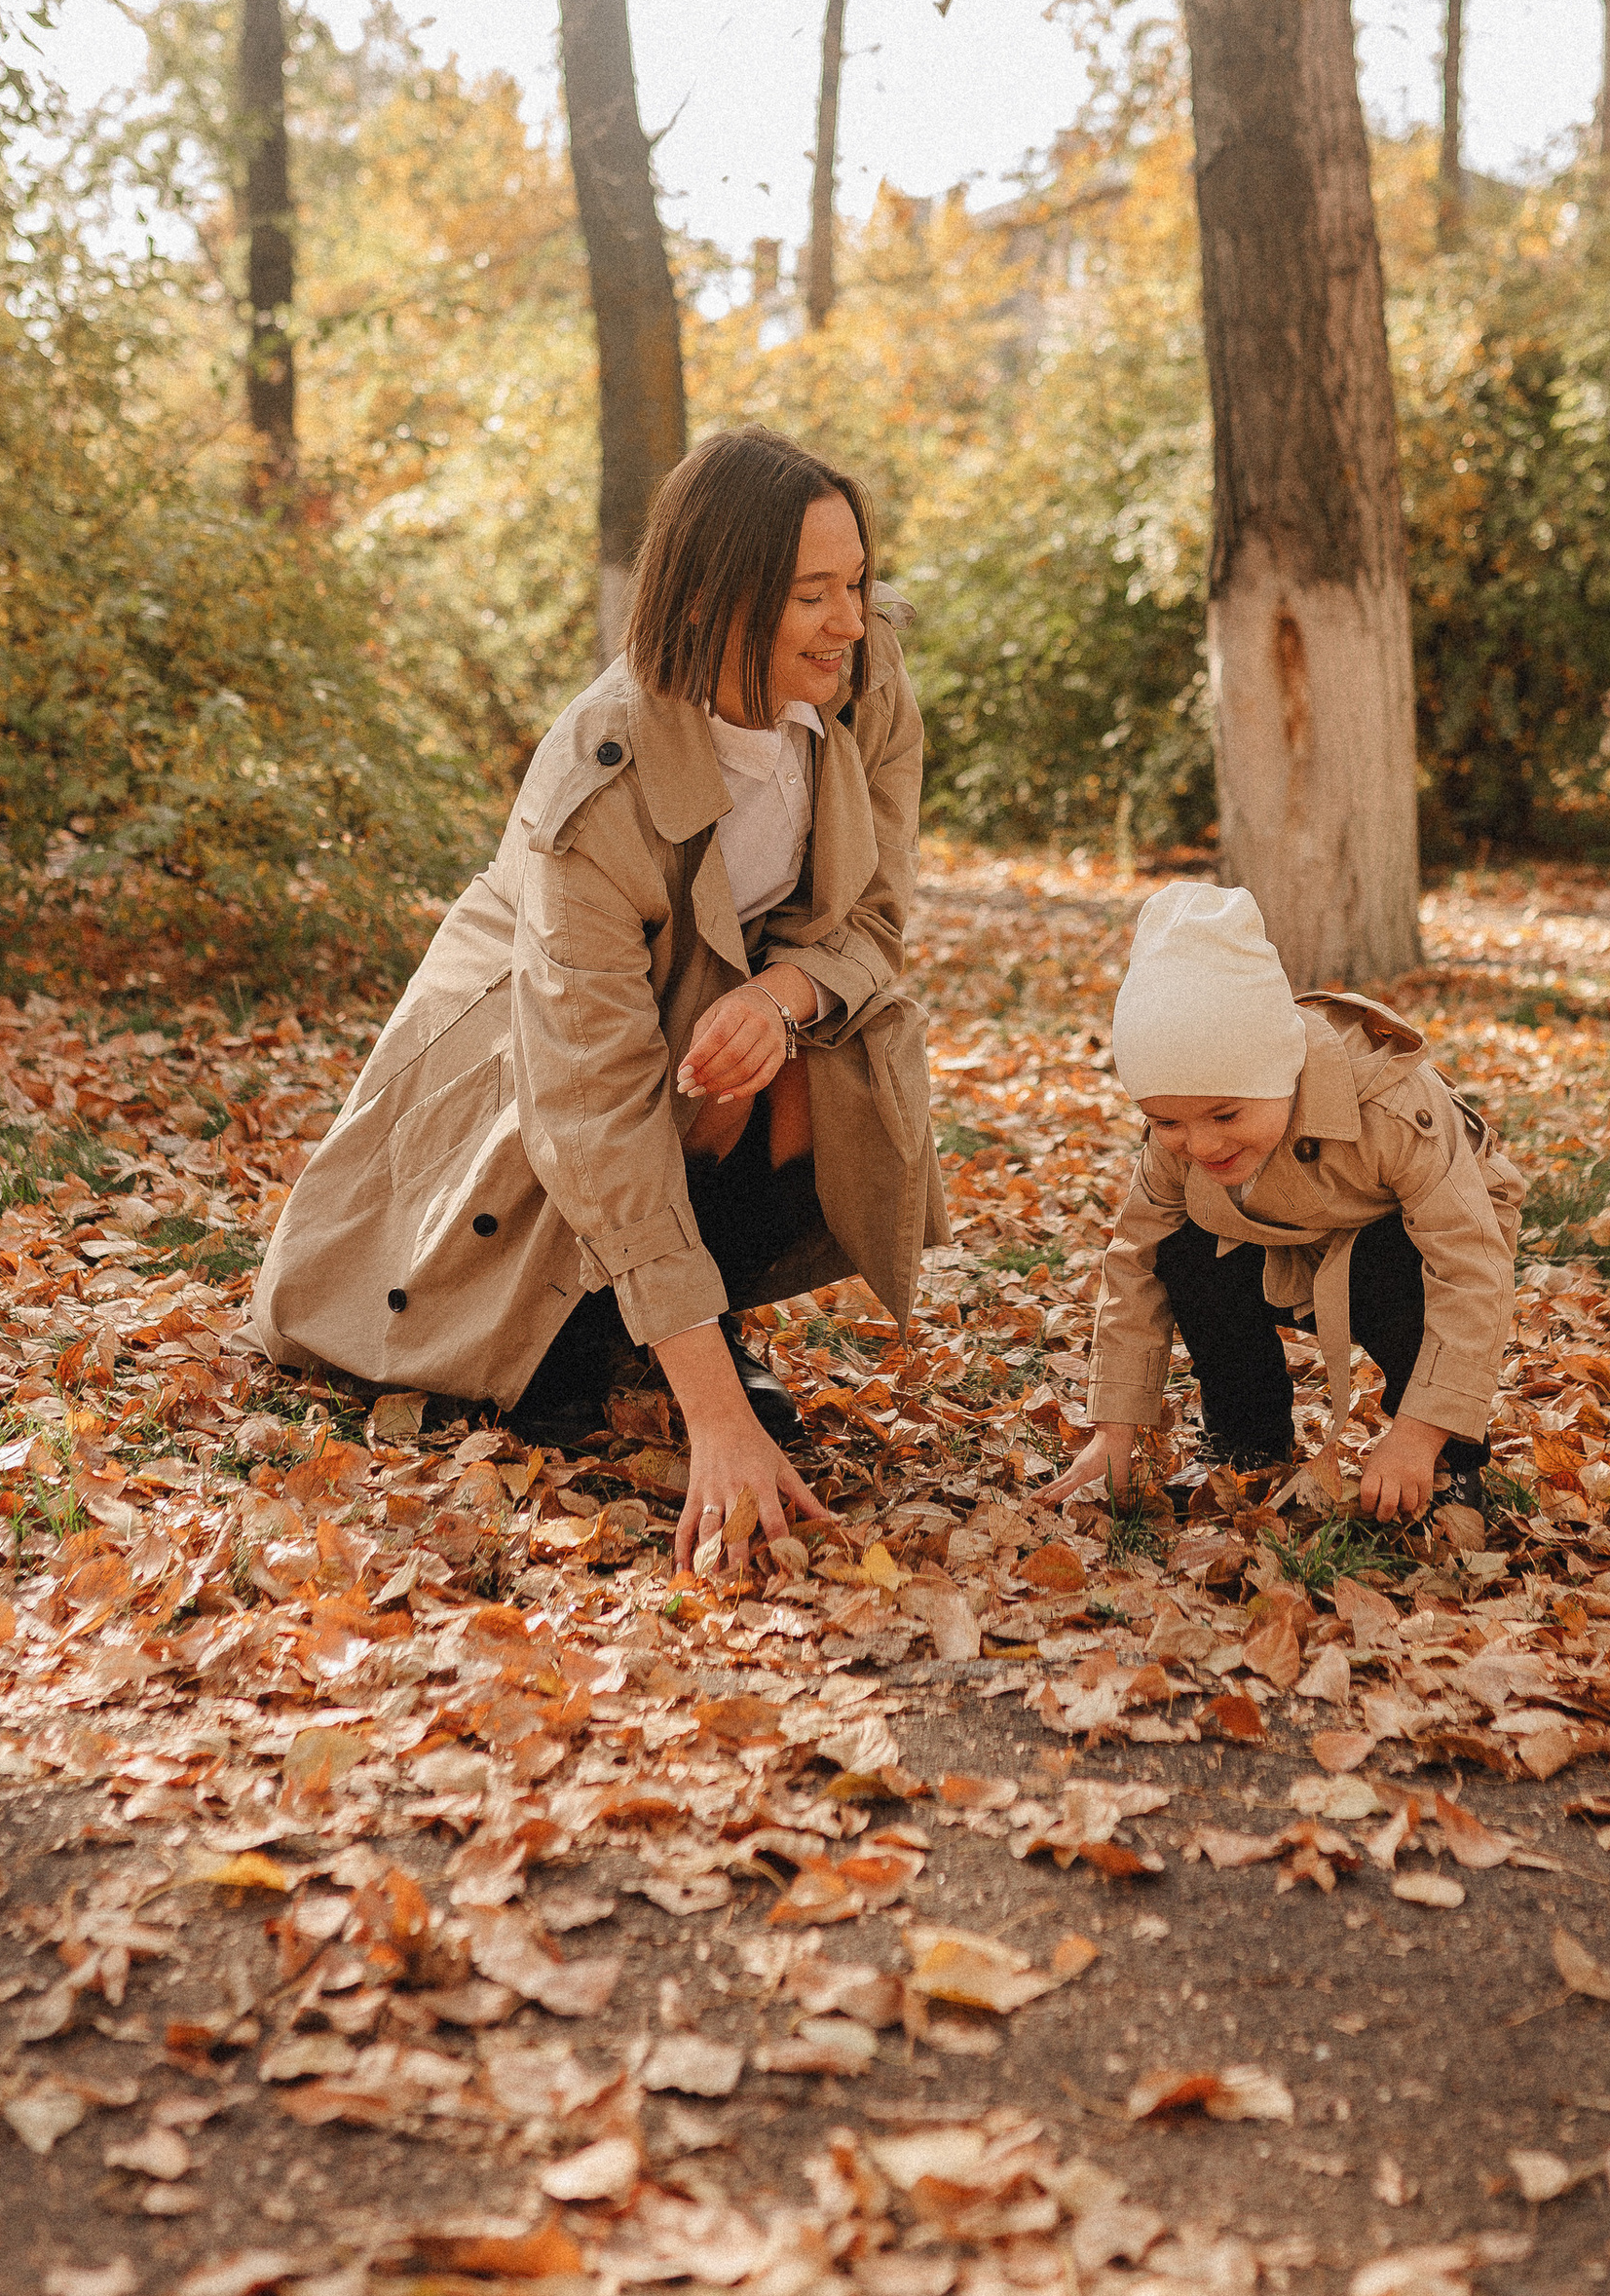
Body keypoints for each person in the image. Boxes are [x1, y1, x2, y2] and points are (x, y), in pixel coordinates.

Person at [252, 428, 945, 1572]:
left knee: (835, 1066)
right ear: (721, 598)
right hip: (526, 1040)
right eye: (813, 594)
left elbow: (875, 924)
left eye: (859, 583)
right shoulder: (598, 773)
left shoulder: (865, 690)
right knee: (525, 1343)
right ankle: (595, 1349)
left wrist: (779, 998)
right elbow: (590, 1106)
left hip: (708, 1013)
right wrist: (719, 1428)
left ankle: (696, 1328)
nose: (853, 622)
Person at [1046, 880, 1523, 1517]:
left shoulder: (1393, 1107)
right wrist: (1114, 1431)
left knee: (1404, 1269)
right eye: (1167, 1121)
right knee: (1181, 1249)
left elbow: (1472, 1268)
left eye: (1225, 1112)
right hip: (1287, 1242)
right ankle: (1249, 1446)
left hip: (1402, 1245)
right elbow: (1133, 1261)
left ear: (1283, 1068)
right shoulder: (1182, 1138)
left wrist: (1421, 1430)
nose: (1201, 1143)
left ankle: (1445, 1465)